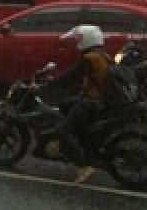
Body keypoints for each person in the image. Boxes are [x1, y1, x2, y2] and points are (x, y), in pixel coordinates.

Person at [44, 25, 111, 179]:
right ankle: (81, 142)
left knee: (61, 130)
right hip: (100, 99)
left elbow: (70, 75)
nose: (76, 44)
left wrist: (49, 84)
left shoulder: (89, 58)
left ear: (85, 40)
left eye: (77, 40)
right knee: (65, 105)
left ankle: (83, 166)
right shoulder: (102, 55)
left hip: (91, 102)